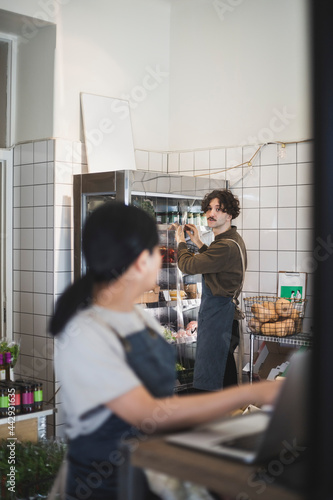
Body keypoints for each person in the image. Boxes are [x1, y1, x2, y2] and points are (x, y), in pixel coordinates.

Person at [50, 201, 280, 500]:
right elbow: (148, 413)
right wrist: (253, 394)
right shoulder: (87, 331)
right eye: (156, 251)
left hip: (152, 463)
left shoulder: (132, 317)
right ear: (140, 260)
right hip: (107, 481)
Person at [175, 189, 247, 392]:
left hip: (219, 319)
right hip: (224, 317)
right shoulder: (230, 241)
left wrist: (181, 241)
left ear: (229, 214)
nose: (211, 214)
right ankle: (230, 415)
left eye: (218, 209)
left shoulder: (225, 246)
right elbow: (215, 263)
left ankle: (220, 417)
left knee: (215, 379)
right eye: (208, 209)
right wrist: (198, 242)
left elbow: (187, 265)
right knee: (224, 371)